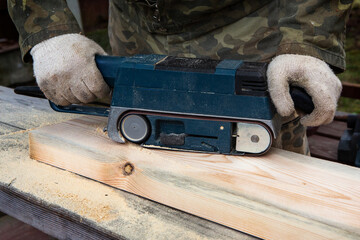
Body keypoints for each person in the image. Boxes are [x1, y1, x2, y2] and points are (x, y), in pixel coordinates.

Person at [8, 0, 354, 155]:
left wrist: (308, 42)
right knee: (134, 163)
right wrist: (47, 28)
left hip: (254, 32)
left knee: (269, 174)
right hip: (135, 26)